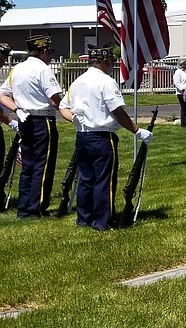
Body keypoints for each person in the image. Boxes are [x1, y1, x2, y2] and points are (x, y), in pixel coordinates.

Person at [58, 46, 153, 230]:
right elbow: (117, 110)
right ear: (104, 61)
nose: (113, 65)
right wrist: (137, 131)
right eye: (112, 61)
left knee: (86, 179)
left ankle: (84, 218)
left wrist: (77, 121)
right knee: (104, 179)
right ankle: (103, 220)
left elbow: (63, 108)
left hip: (83, 136)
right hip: (102, 136)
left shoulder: (78, 81)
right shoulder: (106, 81)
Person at [0, 34, 64, 218]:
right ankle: (37, 207)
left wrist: (16, 108)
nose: (51, 55)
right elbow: (55, 97)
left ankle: (24, 207)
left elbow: (3, 94)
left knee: (27, 165)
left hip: (24, 118)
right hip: (42, 120)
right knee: (42, 165)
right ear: (43, 51)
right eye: (50, 51)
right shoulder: (43, 69)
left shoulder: (17, 69)